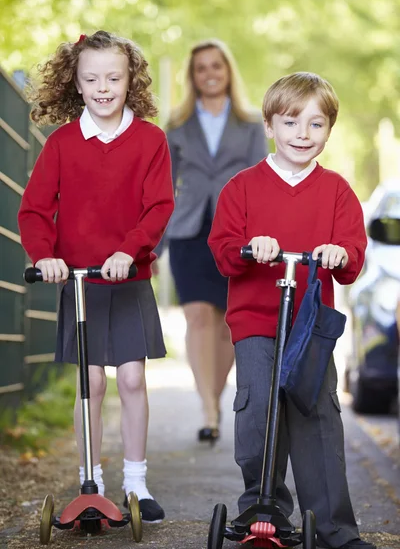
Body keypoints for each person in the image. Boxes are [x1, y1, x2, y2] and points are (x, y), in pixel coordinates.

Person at [208, 72, 376, 549]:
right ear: (269, 126)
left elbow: (352, 258)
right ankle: (265, 507)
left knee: (317, 413)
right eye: (290, 122)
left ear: (328, 131)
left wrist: (341, 254)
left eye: (316, 125)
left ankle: (334, 528)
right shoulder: (242, 188)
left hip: (309, 325)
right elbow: (222, 251)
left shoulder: (337, 192)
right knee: (257, 407)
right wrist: (249, 247)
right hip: (257, 320)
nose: (303, 135)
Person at [18, 30, 174, 523]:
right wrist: (45, 256)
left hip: (125, 281)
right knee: (91, 382)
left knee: (130, 378)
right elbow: (35, 210)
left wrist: (130, 251)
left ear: (131, 81)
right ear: (76, 84)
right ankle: (93, 482)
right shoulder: (63, 142)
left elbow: (158, 206)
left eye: (113, 77)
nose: (103, 87)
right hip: (80, 282)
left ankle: (135, 482)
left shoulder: (150, 139)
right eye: (91, 78)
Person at [156, 39, 268, 443]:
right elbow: (164, 190)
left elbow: (262, 182)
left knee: (225, 325)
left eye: (216, 66)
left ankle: (216, 399)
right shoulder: (177, 126)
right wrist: (154, 246)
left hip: (236, 232)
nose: (209, 73)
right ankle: (207, 408)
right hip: (188, 231)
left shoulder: (253, 124)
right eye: (201, 68)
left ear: (228, 71)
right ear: (193, 76)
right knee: (197, 316)